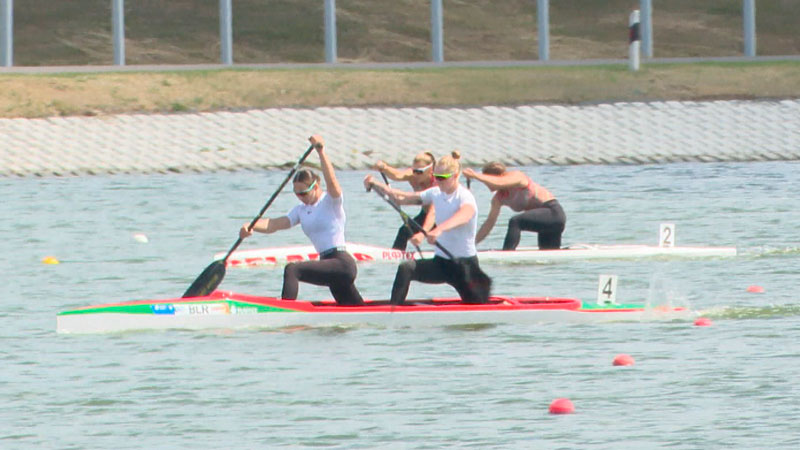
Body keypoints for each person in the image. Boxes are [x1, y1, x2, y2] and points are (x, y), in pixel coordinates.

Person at [239, 135, 364, 306]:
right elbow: (274, 224)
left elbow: (332, 181)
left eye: (304, 193)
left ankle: (284, 310)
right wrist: (250, 225)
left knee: (292, 269)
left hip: (341, 264)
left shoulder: (330, 202)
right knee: (354, 310)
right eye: (297, 194)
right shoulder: (300, 210)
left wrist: (321, 152)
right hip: (329, 267)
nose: (301, 197)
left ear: (316, 186)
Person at [365, 151, 488, 305]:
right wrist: (377, 184)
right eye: (436, 177)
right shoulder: (435, 192)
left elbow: (465, 215)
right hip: (441, 264)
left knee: (478, 307)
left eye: (443, 178)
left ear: (456, 176)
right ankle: (393, 310)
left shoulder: (464, 196)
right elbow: (401, 198)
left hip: (464, 266)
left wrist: (438, 230)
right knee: (406, 268)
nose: (439, 181)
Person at [463, 162, 566, 250]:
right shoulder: (498, 199)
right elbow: (489, 223)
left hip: (554, 214)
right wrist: (472, 243)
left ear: (501, 176)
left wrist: (475, 175)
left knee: (515, 221)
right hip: (544, 224)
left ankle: (507, 253)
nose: (487, 184)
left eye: (487, 180)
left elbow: (500, 182)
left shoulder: (517, 176)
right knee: (548, 258)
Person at [373, 152, 437, 250]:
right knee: (404, 231)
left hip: (441, 218)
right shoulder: (413, 175)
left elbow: (433, 213)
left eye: (419, 172)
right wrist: (384, 167)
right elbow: (397, 175)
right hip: (425, 214)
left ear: (431, 170)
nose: (415, 174)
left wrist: (422, 233)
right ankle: (395, 256)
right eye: (414, 170)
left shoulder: (438, 183)